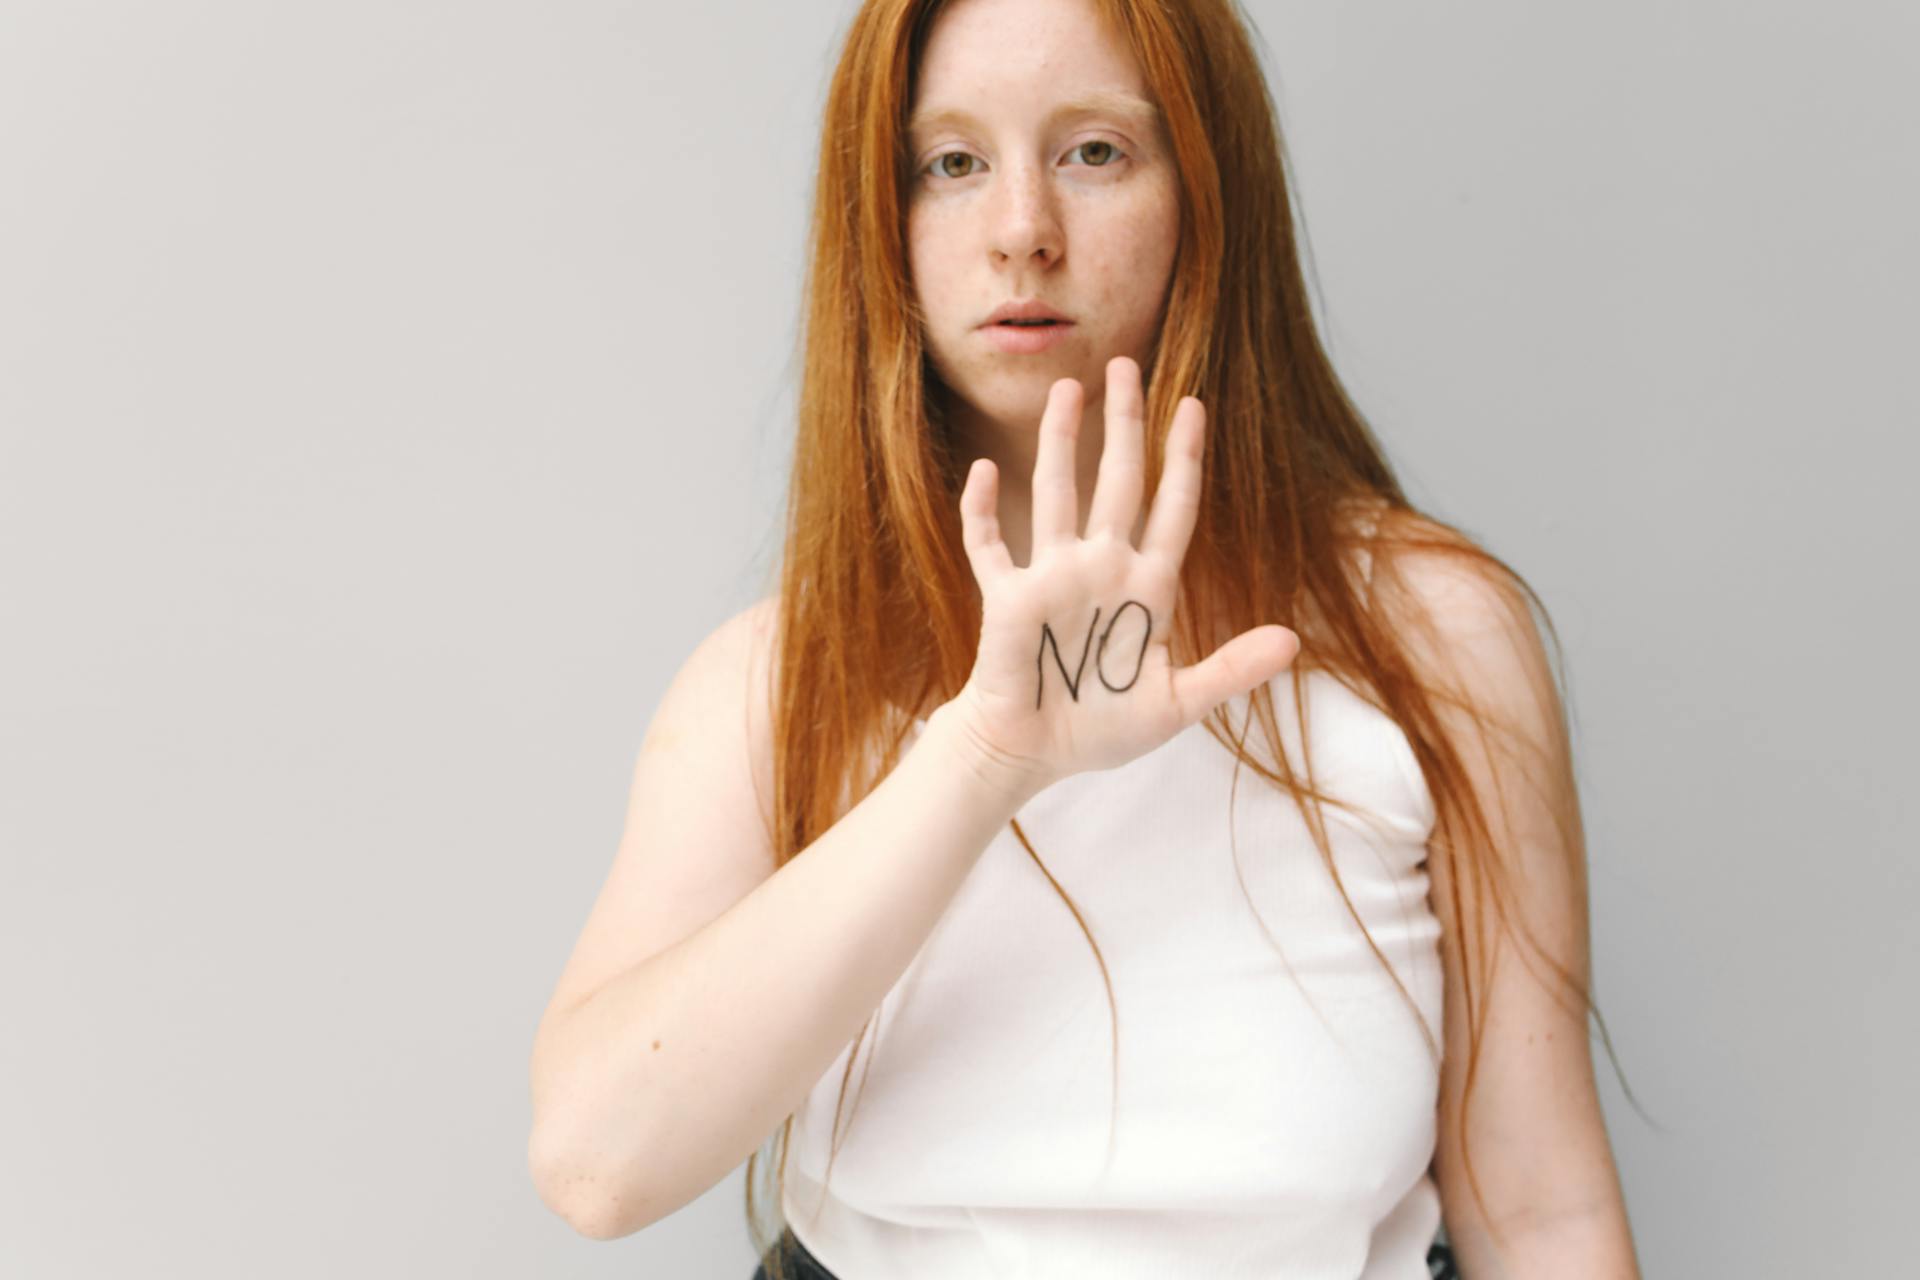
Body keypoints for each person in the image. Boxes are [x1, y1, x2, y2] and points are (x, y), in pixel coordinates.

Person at [527, 0, 1643, 1276]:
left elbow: (1543, 1211)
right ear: (879, 224)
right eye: (951, 164)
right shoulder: (773, 683)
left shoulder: (1436, 636)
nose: (1021, 233)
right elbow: (597, 1162)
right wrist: (982, 759)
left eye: (1094, 151)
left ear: (1206, 190)